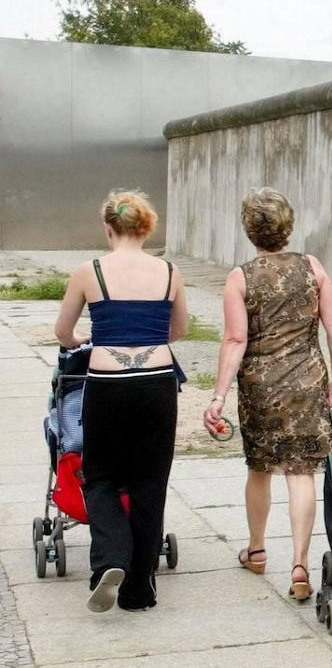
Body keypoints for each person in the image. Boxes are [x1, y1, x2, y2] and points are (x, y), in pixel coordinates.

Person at [203, 187, 332, 601]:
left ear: (250, 230)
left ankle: (257, 550)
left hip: (260, 388)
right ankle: (300, 564)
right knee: (300, 472)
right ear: (289, 226)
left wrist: (217, 396)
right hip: (307, 383)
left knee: (260, 468)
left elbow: (235, 340)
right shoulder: (313, 268)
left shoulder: (240, 277)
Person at [54, 189, 189, 613]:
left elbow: (63, 331)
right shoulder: (170, 272)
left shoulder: (88, 271)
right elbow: (178, 329)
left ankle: (111, 560)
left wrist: (84, 340)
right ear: (146, 227)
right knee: (150, 481)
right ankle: (139, 591)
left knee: (101, 477)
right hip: (157, 380)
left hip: (107, 379)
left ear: (108, 228)